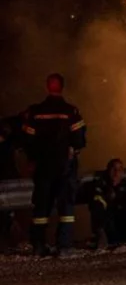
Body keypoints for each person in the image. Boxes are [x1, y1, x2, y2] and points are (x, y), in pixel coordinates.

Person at [21, 73, 86, 256]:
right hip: (64, 166)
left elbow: (27, 139)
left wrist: (32, 159)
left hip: (42, 167)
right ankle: (63, 246)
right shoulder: (71, 111)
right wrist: (73, 149)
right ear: (62, 87)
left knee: (41, 207)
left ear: (47, 87)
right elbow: (79, 140)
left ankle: (39, 246)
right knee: (66, 207)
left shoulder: (35, 112)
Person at [90, 159, 126, 249]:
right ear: (107, 171)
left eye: (119, 169)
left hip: (125, 225)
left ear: (123, 173)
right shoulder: (100, 186)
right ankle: (101, 236)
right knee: (97, 202)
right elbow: (96, 202)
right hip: (108, 227)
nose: (116, 172)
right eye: (113, 169)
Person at [0, 115, 21, 249]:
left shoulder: (8, 145)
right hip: (8, 184)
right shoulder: (9, 145)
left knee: (6, 215)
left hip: (7, 183)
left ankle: (5, 241)